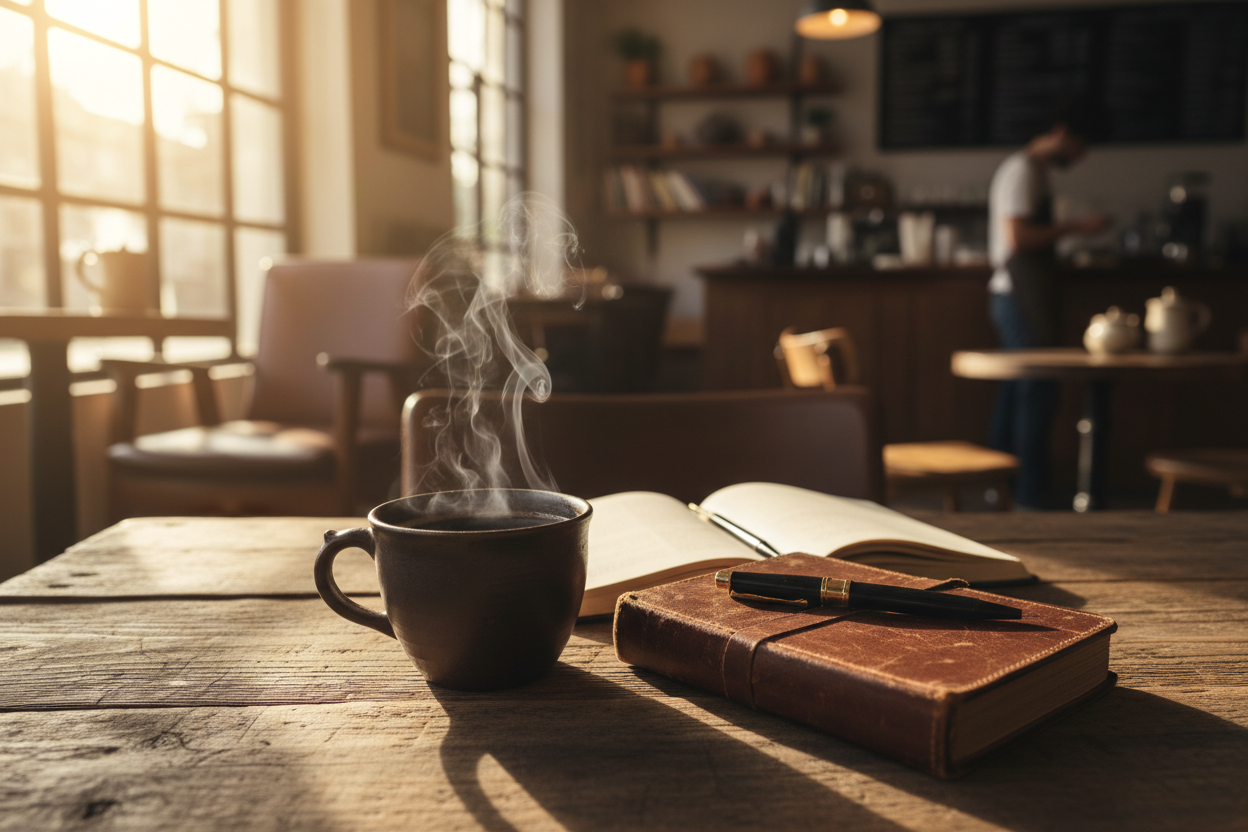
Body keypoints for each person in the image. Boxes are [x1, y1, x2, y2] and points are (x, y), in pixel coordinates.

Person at [987, 100, 1110, 508]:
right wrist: (1077, 227)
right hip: (1017, 295)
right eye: (1081, 145)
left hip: (1020, 293)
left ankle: (1002, 488)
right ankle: (1028, 494)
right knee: (1036, 389)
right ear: (1061, 133)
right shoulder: (1022, 171)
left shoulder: (1033, 172)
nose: (1082, 155)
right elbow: (1018, 238)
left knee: (1019, 389)